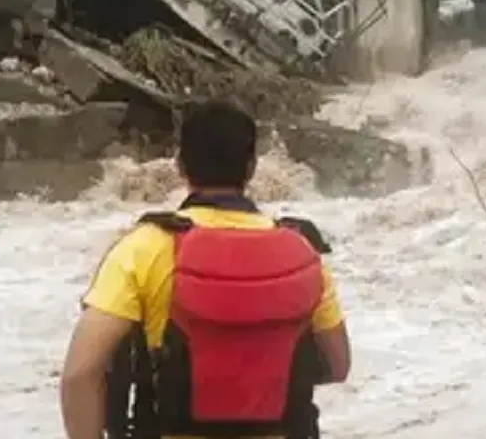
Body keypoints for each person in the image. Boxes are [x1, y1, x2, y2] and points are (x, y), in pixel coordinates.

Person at [59, 100, 351, 439]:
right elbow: (338, 366)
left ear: (180, 166)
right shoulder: (301, 251)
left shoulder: (144, 248)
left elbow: (80, 374)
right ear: (252, 167)